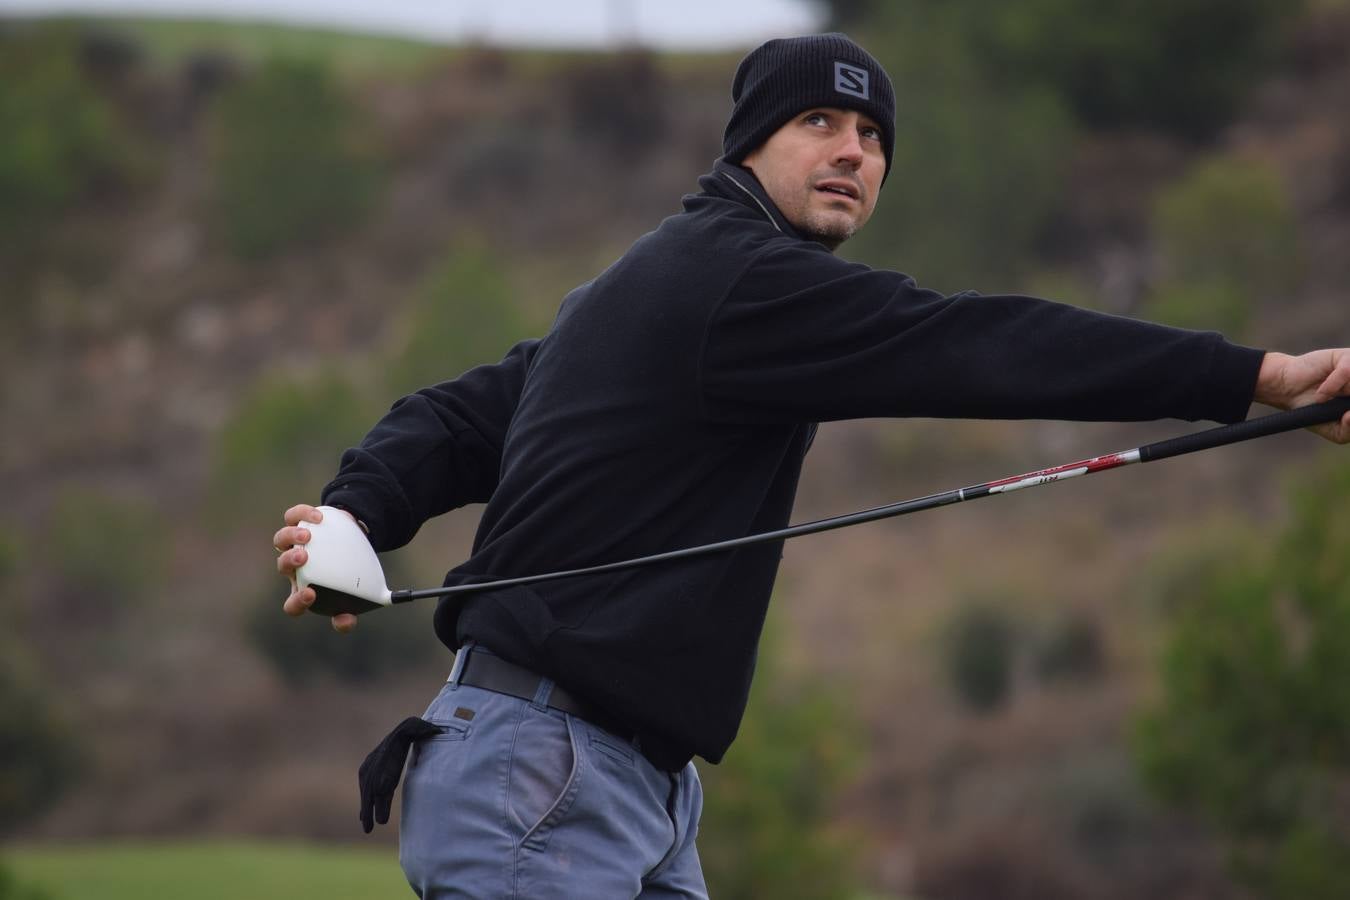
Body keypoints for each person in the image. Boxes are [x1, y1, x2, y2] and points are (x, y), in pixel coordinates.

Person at [273, 33, 1350, 899]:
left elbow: (462, 418)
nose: (854, 151)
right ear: (750, 145)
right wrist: (1258, 375)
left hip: (612, 783)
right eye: (819, 123)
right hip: (544, 774)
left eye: (874, 135)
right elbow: (987, 342)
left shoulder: (653, 284)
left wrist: (354, 513)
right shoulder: (740, 280)